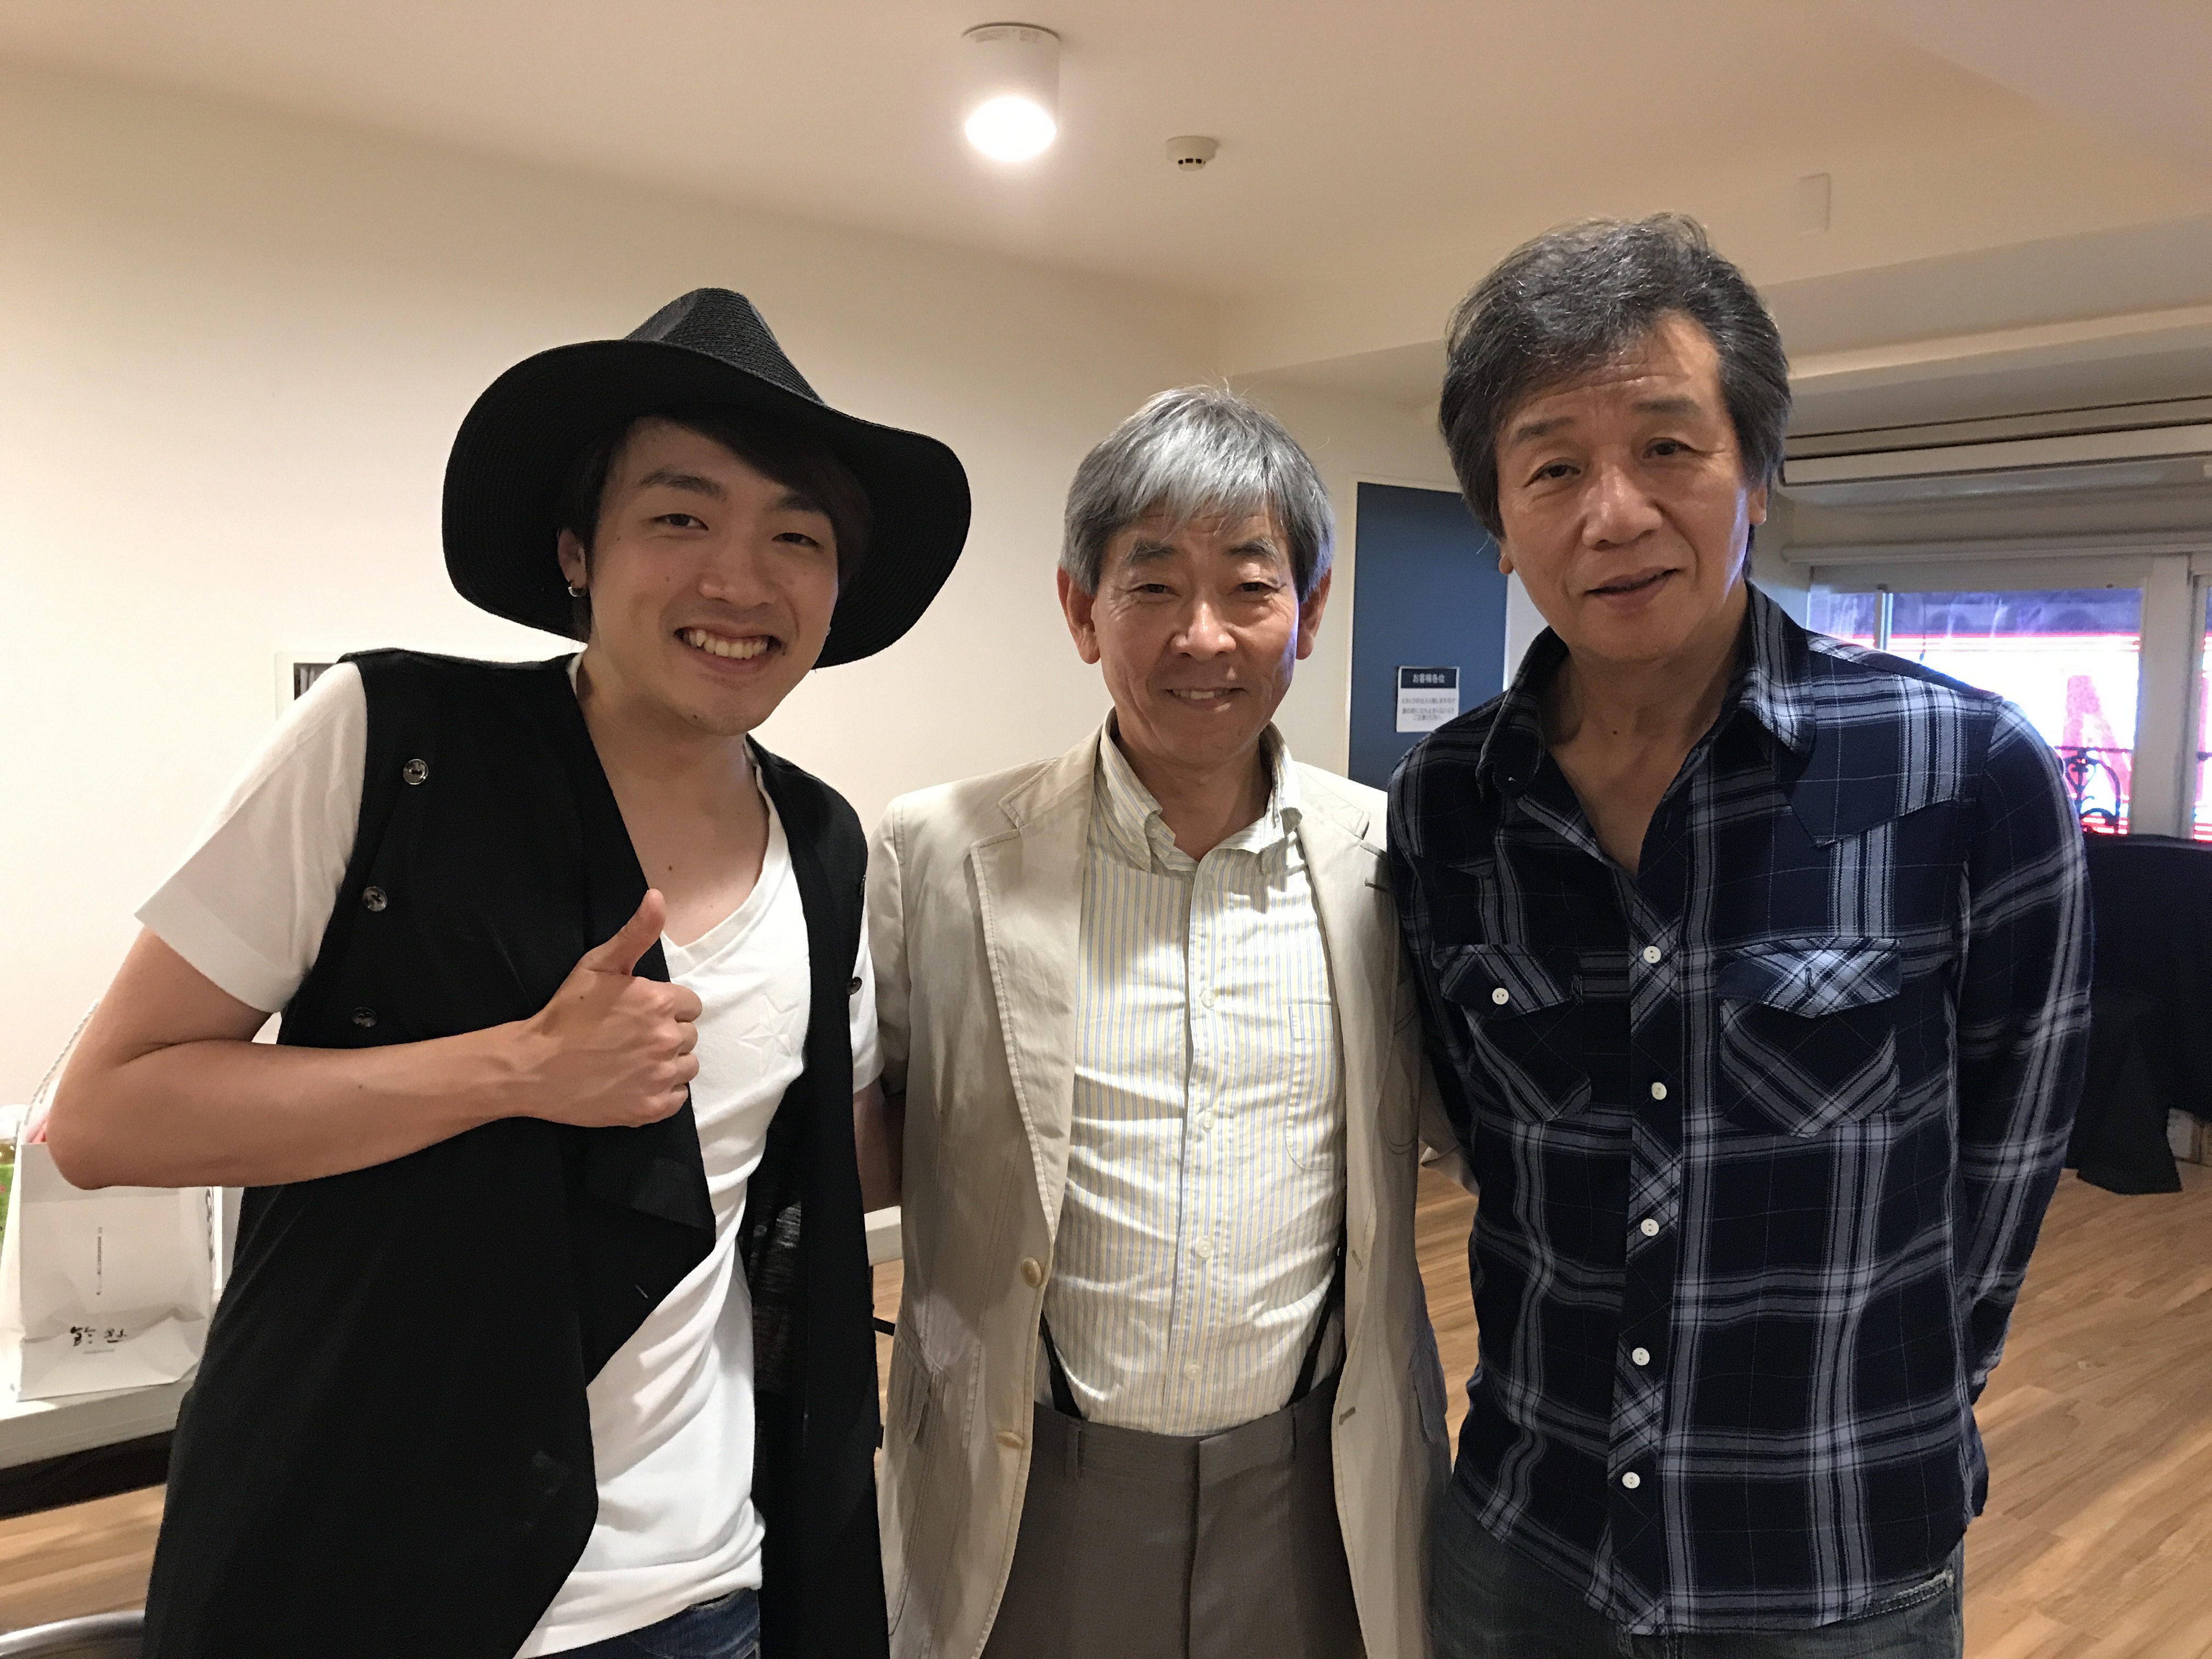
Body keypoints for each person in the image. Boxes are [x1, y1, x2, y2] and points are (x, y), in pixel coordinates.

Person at [47, 289, 969, 1659]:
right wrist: (518, 1069)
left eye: (797, 536)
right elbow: (107, 1115)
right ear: (575, 551)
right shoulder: (394, 740)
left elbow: (814, 1163)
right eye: (681, 518)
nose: (740, 579)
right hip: (358, 1569)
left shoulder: (827, 844)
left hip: (699, 1589)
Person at [1393, 215, 2091, 1658]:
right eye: (1553, 468)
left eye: (1667, 447)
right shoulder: (1452, 800)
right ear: (1500, 523)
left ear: (1757, 473)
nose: (1614, 514)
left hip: (1835, 1558)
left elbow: (2008, 1160)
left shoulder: (1960, 766)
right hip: (1528, 1543)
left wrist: (1896, 1410)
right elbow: (1481, 1133)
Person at [865, 387, 1450, 1659]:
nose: (1204, 637)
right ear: (1081, 610)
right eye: (1152, 586)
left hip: (1316, 1484)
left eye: (1249, 586)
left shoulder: (1392, 858)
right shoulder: (940, 852)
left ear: (1311, 610)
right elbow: (867, 1133)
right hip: (1033, 1485)